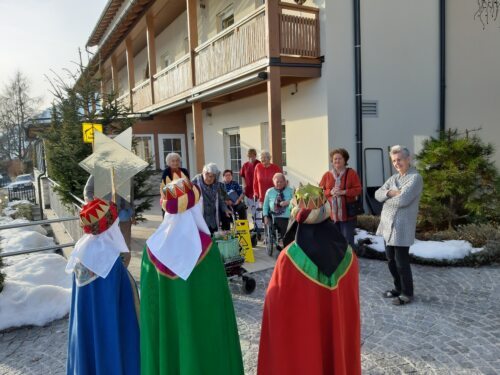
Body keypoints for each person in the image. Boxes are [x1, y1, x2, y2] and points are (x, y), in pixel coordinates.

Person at [140, 178, 244, 375]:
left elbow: (150, 311)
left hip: (167, 342)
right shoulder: (208, 251)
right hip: (202, 340)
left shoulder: (150, 251)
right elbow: (218, 307)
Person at [258, 184, 361, 375]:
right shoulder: (348, 255)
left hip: (304, 346)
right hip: (335, 341)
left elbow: (276, 309)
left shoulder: (289, 258)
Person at [66, 198, 140, 375]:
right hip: (111, 330)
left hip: (86, 329)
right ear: (108, 225)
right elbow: (126, 303)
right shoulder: (111, 262)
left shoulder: (81, 252)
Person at [375, 145, 423, 306]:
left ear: (408, 159)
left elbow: (403, 200)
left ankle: (407, 293)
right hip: (387, 226)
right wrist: (390, 192)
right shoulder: (393, 178)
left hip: (402, 227)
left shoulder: (415, 178)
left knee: (401, 262)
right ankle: (398, 288)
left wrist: (387, 198)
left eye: (399, 159)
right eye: (394, 160)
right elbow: (377, 194)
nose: (397, 163)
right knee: (390, 260)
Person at [83, 175, 134, 267]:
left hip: (124, 215)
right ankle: (109, 269)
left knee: (125, 246)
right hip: (107, 216)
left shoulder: (126, 170)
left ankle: (123, 270)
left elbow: (131, 194)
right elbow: (88, 190)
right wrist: (95, 206)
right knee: (108, 245)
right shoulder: (99, 171)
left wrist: (133, 213)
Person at [319, 148, 362, 248]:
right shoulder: (327, 175)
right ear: (332, 161)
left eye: (340, 158)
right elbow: (320, 191)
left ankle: (349, 262)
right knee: (333, 240)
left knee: (347, 242)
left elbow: (358, 189)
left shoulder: (351, 173)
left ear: (345, 160)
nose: (337, 161)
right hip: (331, 215)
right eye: (335, 159)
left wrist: (344, 192)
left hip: (347, 214)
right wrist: (330, 192)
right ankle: (336, 261)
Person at [192, 163, 232, 233]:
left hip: (213, 219)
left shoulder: (217, 184)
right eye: (209, 176)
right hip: (200, 219)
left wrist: (225, 209)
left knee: (213, 239)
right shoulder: (195, 183)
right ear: (203, 173)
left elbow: (220, 199)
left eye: (213, 176)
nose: (210, 179)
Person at [262, 173, 293, 241]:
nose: (279, 183)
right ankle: (285, 243)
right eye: (277, 182)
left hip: (290, 217)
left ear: (285, 181)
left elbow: (296, 202)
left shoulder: (290, 191)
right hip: (276, 217)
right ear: (273, 182)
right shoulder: (269, 191)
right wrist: (265, 216)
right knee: (283, 226)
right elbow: (265, 206)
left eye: (281, 181)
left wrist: (288, 202)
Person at [161, 152, 190, 217]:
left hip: (184, 198)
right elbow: (165, 188)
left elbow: (188, 184)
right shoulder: (166, 172)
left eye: (177, 160)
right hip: (171, 199)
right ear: (168, 162)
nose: (175, 163)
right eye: (173, 161)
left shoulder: (184, 171)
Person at [239, 148, 260, 218]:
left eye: (252, 155)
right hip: (249, 190)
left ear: (255, 155)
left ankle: (259, 226)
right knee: (252, 209)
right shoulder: (245, 165)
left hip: (258, 190)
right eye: (249, 156)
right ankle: (255, 226)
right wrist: (244, 186)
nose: (251, 157)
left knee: (258, 209)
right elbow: (242, 176)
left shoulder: (259, 164)